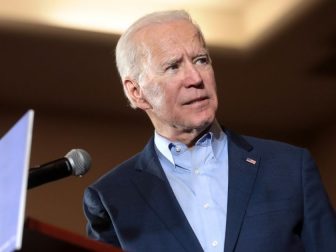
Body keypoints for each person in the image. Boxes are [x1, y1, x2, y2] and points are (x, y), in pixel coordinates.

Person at [83, 10, 336, 252]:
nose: (195, 77)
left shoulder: (290, 168)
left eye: (201, 60)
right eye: (173, 66)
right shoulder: (112, 197)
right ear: (136, 92)